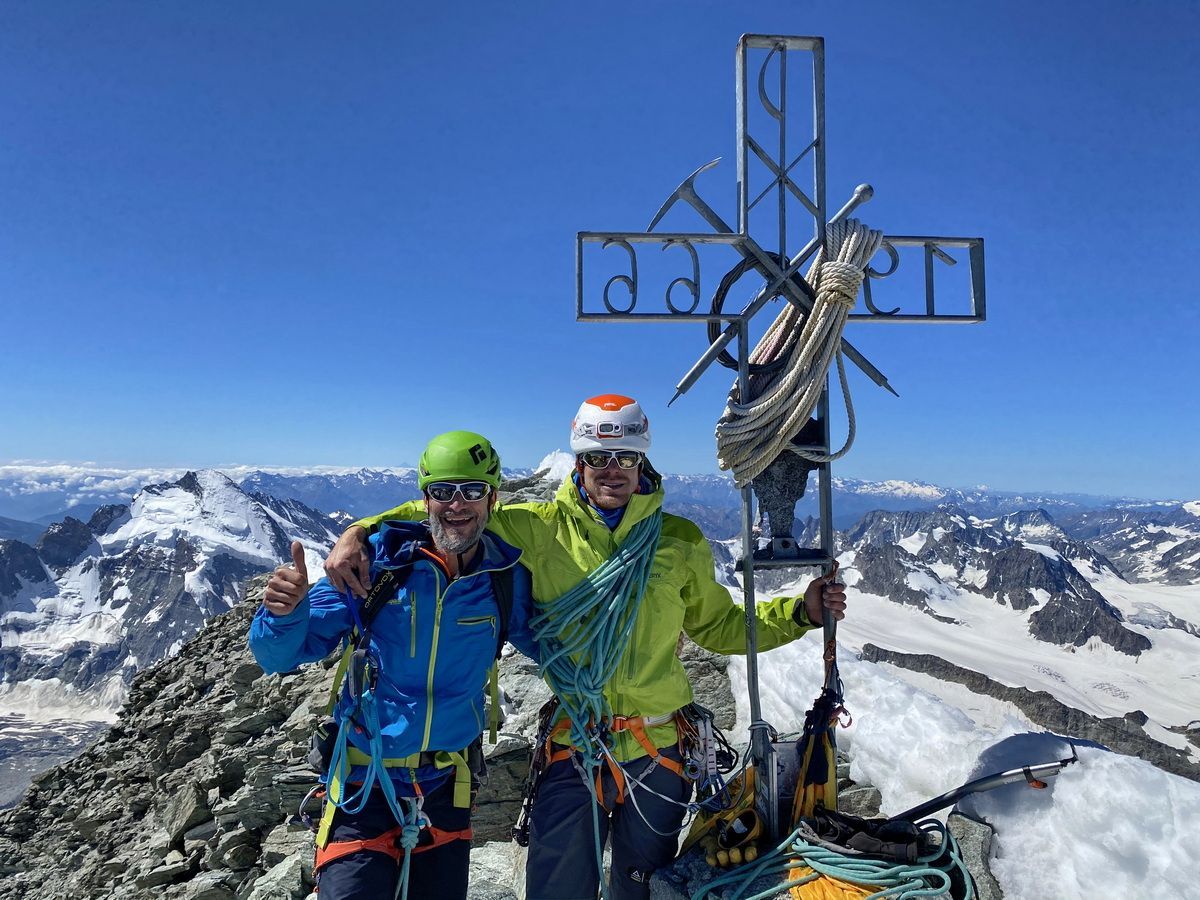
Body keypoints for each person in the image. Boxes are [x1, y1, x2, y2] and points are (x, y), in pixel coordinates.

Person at [324, 395, 848, 900]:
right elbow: (452, 511)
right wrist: (358, 531)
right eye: (598, 458)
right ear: (580, 462)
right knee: (556, 886)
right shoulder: (538, 529)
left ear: (642, 461)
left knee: (643, 885)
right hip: (576, 740)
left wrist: (799, 613)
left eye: (625, 457)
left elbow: (720, 627)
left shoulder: (679, 540)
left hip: (657, 742)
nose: (612, 469)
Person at [249, 431, 538, 900]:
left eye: (472, 490)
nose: (457, 505)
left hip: (447, 785)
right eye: (443, 491)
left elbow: (551, 646)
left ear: (492, 498)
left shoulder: (506, 579)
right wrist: (283, 615)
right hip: (364, 785)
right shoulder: (377, 565)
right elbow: (278, 657)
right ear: (425, 499)